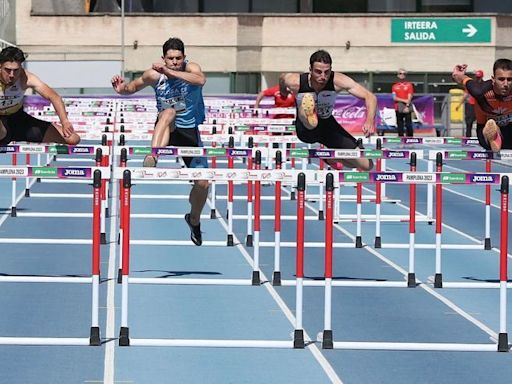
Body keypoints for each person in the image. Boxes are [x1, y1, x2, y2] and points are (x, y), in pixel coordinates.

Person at [111, 37, 208, 246]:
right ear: (163, 58)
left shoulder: (191, 69)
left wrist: (170, 72)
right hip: (166, 127)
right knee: (168, 112)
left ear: (184, 57)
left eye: (178, 58)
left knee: (202, 183)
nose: (174, 62)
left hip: (189, 132)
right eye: (170, 59)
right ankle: (152, 155)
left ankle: (194, 219)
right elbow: (133, 87)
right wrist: (121, 89)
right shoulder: (154, 75)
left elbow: (200, 80)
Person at [280, 49, 376, 171]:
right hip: (306, 129)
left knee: (366, 165)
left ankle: (331, 157)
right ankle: (310, 114)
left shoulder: (338, 80)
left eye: (327, 72)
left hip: (328, 124)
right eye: (318, 72)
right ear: (310, 70)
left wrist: (369, 120)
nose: (323, 76)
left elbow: (370, 97)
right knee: (307, 101)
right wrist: (283, 92)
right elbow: (283, 78)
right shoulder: (295, 81)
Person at [0, 46, 80, 146]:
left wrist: (64, 121)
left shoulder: (26, 78)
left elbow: (54, 96)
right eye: (7, 70)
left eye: (16, 70)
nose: (12, 75)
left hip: (19, 120)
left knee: (73, 139)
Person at [452, 59, 512, 152]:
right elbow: (461, 78)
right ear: (493, 79)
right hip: (484, 127)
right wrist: (458, 75)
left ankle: (497, 137)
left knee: (508, 141)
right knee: (486, 141)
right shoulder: (480, 90)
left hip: (508, 126)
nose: (505, 84)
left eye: (509, 79)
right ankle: (493, 136)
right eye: (501, 79)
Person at [455, 70, 484, 137]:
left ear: (482, 77)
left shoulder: (484, 84)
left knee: (481, 122)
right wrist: (459, 105)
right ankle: (468, 136)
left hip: (480, 105)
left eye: (479, 77)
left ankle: (481, 137)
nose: (477, 78)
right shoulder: (472, 84)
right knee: (469, 121)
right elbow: (465, 94)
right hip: (471, 104)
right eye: (476, 77)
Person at [392, 68, 414, 137]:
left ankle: (410, 139)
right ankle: (401, 139)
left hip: (406, 107)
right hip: (398, 107)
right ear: (398, 75)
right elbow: (394, 98)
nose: (402, 75)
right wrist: (404, 100)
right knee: (400, 124)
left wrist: (407, 106)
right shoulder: (394, 86)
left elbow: (409, 96)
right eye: (400, 73)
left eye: (404, 74)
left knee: (408, 124)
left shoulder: (409, 85)